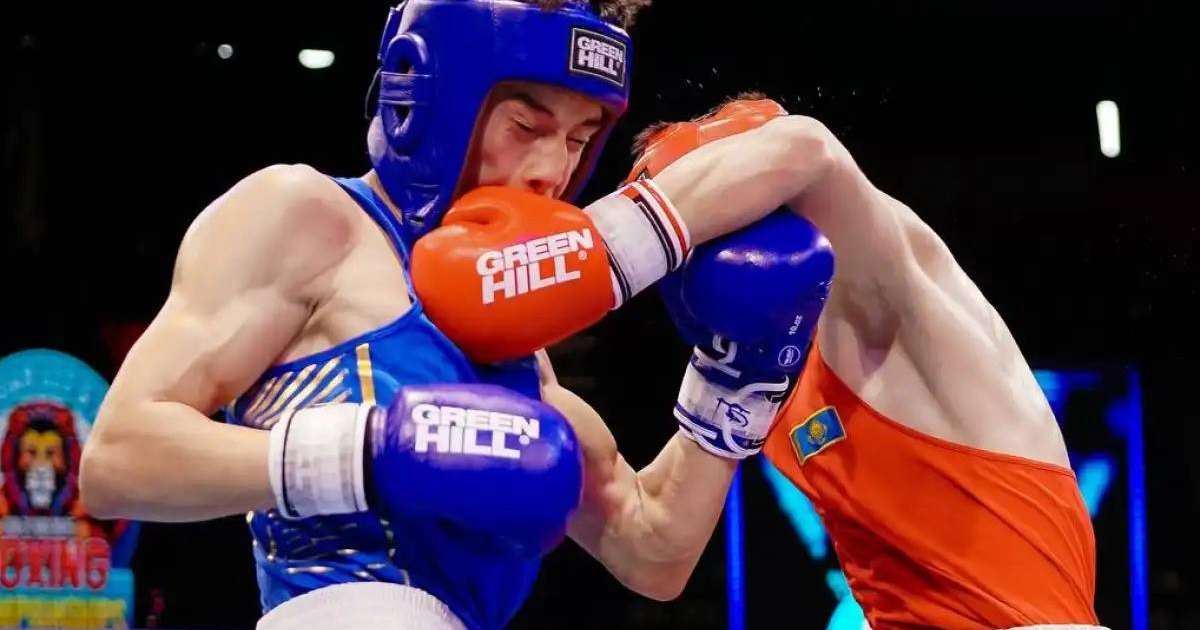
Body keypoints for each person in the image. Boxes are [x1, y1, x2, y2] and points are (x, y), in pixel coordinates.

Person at [79, 2, 840, 629]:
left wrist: (734, 383)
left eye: (579, 140)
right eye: (526, 126)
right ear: (433, 104)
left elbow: (652, 550)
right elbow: (115, 462)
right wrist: (371, 451)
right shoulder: (307, 216)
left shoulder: (519, 352)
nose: (552, 171)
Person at [635, 95, 1104, 630]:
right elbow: (656, 552)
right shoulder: (761, 370)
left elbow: (809, 150)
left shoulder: (898, 293)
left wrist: (598, 246)